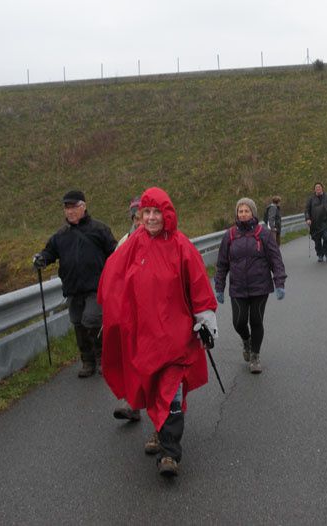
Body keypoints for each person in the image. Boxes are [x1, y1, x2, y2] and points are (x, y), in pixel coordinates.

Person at [98, 186, 218, 477]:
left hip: (176, 337)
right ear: (141, 215)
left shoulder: (181, 246)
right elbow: (113, 280)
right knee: (150, 388)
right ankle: (158, 432)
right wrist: (112, 319)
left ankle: (170, 454)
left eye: (157, 212)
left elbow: (199, 284)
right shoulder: (132, 244)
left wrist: (205, 320)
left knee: (171, 392)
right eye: (147, 212)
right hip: (144, 337)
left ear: (167, 214)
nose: (152, 218)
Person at [33, 189, 116, 378]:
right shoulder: (60, 236)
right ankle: (87, 361)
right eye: (66, 208)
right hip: (73, 288)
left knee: (92, 319)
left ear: (83, 207)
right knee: (78, 323)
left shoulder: (99, 229)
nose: (69, 211)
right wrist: (41, 259)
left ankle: (103, 358)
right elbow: (49, 253)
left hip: (97, 287)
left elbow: (114, 252)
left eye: (73, 207)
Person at [214, 197, 286, 374]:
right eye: (240, 211)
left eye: (246, 211)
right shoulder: (230, 235)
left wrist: (279, 282)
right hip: (238, 287)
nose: (243, 214)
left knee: (256, 320)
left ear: (252, 212)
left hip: (260, 287)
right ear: (237, 213)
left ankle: (255, 356)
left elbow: (276, 259)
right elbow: (222, 264)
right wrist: (219, 287)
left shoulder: (263, 234)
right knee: (238, 322)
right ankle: (246, 341)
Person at [112, 196, 142, 423]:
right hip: (133, 312)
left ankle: (164, 417)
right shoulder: (124, 241)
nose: (141, 219)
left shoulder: (167, 238)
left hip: (160, 312)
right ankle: (132, 402)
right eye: (137, 216)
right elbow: (116, 276)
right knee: (132, 357)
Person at [304, 181, 327, 262]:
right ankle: (320, 255)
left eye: (319, 187)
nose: (318, 189)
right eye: (316, 188)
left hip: (325, 223)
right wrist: (308, 218)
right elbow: (307, 210)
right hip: (315, 224)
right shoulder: (311, 199)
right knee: (317, 240)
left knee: (326, 237)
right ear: (314, 190)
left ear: (322, 188)